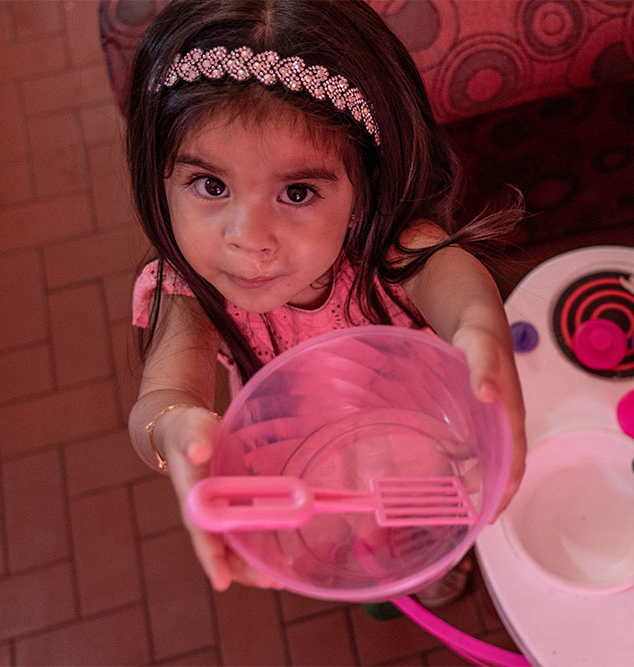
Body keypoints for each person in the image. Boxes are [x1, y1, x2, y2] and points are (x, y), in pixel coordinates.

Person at [125, 0, 527, 601]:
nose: (248, 239)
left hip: (415, 433)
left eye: (297, 191)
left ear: (363, 184)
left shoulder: (383, 244)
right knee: (342, 533)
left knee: (420, 521)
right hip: (298, 452)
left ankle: (426, 562)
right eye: (211, 186)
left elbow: (454, 281)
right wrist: (175, 431)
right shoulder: (188, 293)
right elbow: (163, 396)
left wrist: (480, 329)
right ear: (160, 175)